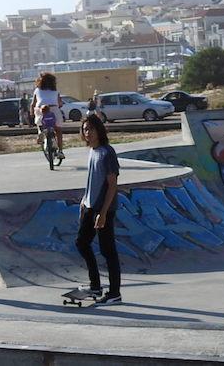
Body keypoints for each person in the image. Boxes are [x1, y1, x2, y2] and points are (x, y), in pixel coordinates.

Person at [74, 114, 121, 305]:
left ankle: (115, 292)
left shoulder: (107, 153)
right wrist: (84, 200)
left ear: (99, 130)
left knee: (107, 250)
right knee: (81, 243)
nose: (88, 132)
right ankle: (95, 285)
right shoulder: (93, 152)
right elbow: (92, 180)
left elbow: (112, 186)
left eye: (91, 129)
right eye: (85, 129)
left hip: (104, 209)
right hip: (90, 206)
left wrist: (103, 213)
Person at [30, 72, 65, 161]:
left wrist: (31, 113)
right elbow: (59, 102)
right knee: (58, 130)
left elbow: (33, 104)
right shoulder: (55, 90)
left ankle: (40, 133)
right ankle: (60, 150)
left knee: (39, 123)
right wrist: (59, 105)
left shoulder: (37, 90)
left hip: (41, 108)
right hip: (53, 108)